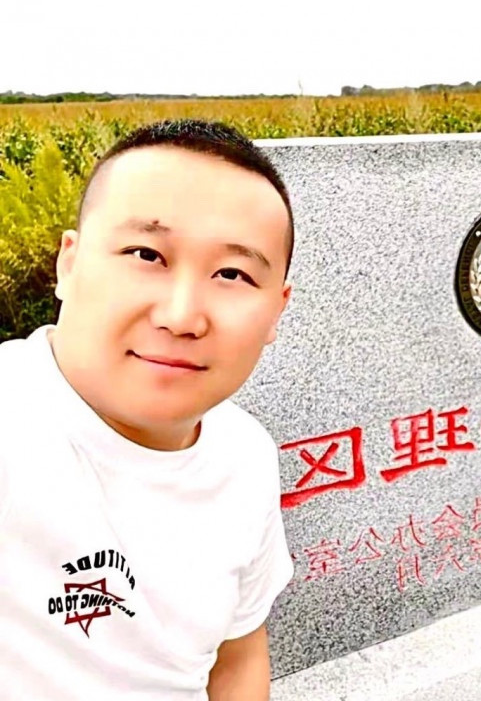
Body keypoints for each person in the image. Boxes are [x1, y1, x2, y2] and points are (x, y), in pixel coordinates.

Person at [0, 119, 296, 700]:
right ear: (68, 264)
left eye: (232, 274)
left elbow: (236, 659)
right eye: (146, 254)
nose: (182, 316)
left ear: (277, 310)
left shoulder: (246, 454)